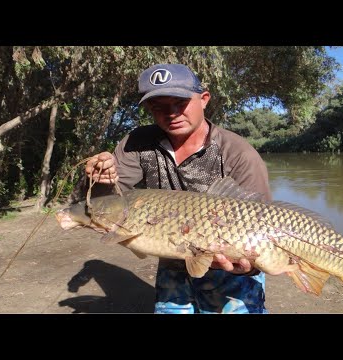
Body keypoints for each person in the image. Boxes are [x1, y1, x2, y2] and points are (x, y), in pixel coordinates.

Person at [85, 63, 272, 313]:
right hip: (174, 258)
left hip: (228, 266)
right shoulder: (137, 143)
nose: (171, 113)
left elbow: (265, 225)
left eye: (180, 103)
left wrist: (250, 266)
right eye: (158, 106)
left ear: (204, 99)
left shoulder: (238, 153)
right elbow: (106, 203)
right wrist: (99, 178)